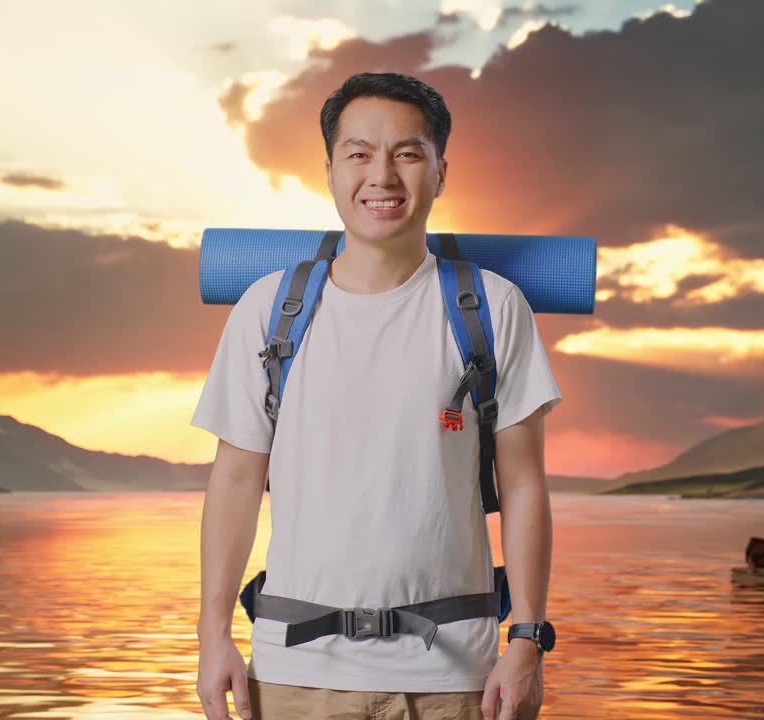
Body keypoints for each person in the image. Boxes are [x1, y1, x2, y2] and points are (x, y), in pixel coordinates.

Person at [192, 71, 563, 720]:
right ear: (330, 169)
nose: (382, 176)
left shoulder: (492, 309)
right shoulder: (269, 311)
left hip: (456, 676)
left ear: (441, 171)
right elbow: (235, 481)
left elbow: (525, 483)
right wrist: (212, 635)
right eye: (359, 153)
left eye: (408, 154)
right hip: (294, 671)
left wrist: (527, 638)